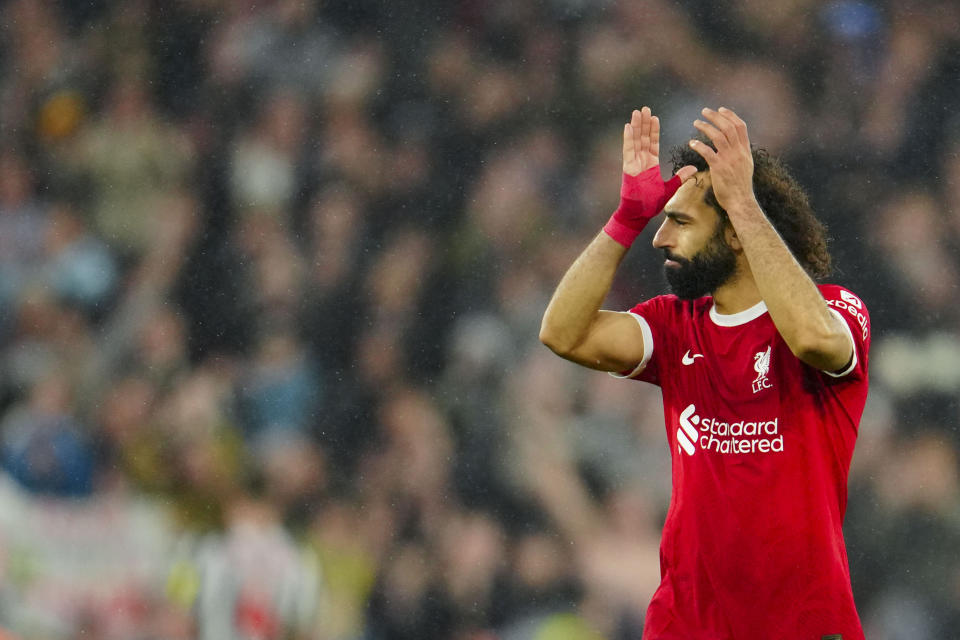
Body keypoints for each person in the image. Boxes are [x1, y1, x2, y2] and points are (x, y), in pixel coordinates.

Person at [539, 106, 870, 640]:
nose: (661, 237)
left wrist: (743, 202)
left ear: (737, 233)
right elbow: (563, 333)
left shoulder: (834, 309)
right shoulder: (674, 326)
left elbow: (812, 339)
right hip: (686, 622)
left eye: (681, 221)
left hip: (802, 622)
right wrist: (626, 219)